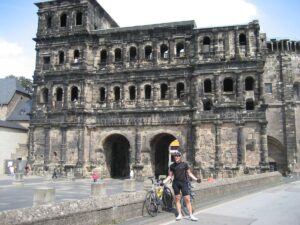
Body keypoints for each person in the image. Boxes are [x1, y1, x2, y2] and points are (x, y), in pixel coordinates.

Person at [163, 149, 201, 221]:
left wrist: (196, 179)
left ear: (180, 157)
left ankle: (191, 215)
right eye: (175, 156)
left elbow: (189, 173)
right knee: (177, 199)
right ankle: (179, 214)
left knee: (187, 199)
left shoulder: (184, 164)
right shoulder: (172, 166)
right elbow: (170, 176)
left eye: (178, 156)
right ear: (174, 157)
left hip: (184, 183)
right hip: (176, 184)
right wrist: (164, 181)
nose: (176, 157)